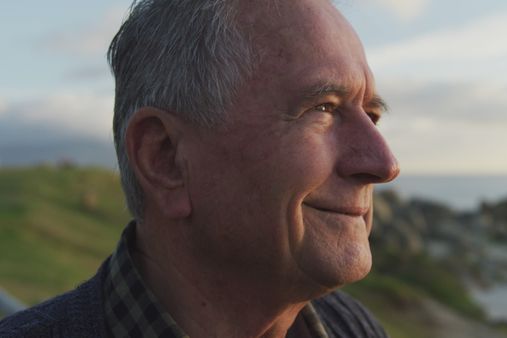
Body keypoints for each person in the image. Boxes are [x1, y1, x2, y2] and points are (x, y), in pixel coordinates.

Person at [0, 0, 399, 336]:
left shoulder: (352, 326)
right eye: (323, 108)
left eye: (371, 115)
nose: (384, 164)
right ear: (165, 158)